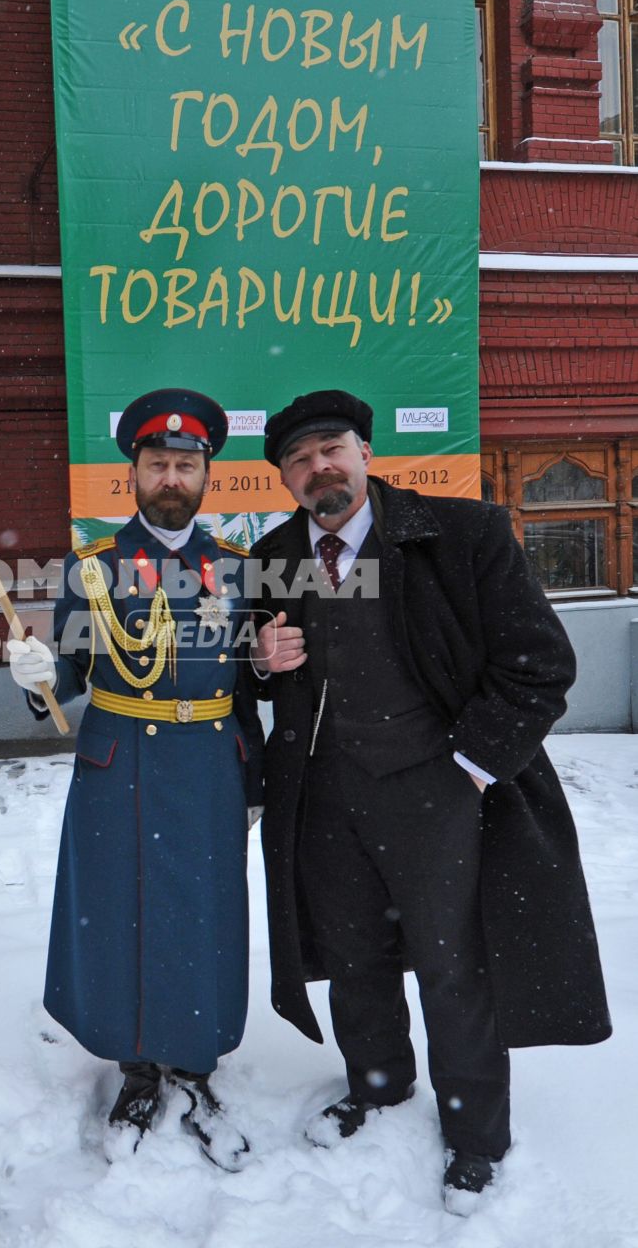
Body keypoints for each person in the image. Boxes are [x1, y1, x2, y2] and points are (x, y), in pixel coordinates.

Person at [248, 389, 611, 1213]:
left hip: (440, 791)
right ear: (284, 480)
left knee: (455, 966)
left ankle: (475, 1135)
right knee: (353, 959)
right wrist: (260, 659)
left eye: (331, 449)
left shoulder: (460, 534)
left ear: (365, 453)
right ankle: (377, 1088)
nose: (318, 469)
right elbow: (248, 674)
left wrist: (470, 768)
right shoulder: (270, 555)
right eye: (298, 461)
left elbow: (538, 665)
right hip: (325, 794)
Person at [8, 387, 264, 1168]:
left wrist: (256, 774)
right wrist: (35, 672)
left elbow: (254, 683)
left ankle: (194, 1060)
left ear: (206, 473)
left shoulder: (240, 570)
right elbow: (70, 673)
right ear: (134, 474)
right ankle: (134, 1066)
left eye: (186, 464)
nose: (172, 476)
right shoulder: (94, 569)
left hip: (209, 764)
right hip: (116, 762)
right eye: (158, 462)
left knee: (203, 912)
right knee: (119, 913)